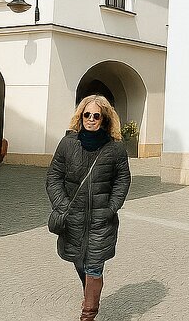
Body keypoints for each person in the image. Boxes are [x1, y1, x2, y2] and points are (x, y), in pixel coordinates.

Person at [46, 95, 132, 321]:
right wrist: (63, 205)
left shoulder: (116, 149)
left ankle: (88, 313)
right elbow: (54, 177)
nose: (91, 119)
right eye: (87, 115)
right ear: (80, 116)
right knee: (78, 260)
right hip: (72, 218)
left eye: (96, 116)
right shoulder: (67, 144)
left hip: (100, 220)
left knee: (94, 265)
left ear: (104, 119)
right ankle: (90, 293)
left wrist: (110, 208)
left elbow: (123, 181)